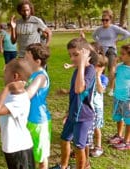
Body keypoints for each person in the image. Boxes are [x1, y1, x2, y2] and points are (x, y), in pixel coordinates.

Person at [51, 38, 96, 169]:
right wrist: (68, 112)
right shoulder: (78, 70)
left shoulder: (89, 70)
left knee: (79, 146)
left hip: (83, 116)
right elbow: (74, 94)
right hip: (73, 113)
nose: (72, 58)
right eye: (70, 55)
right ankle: (63, 166)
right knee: (64, 139)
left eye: (75, 55)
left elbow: (79, 89)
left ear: (86, 53)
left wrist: (81, 64)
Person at [0, 59, 35, 169]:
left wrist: (7, 88)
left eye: (5, 72)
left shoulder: (19, 99)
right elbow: (11, 118)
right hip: (12, 146)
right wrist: (1, 128)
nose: (3, 75)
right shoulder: (12, 95)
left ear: (15, 77)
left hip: (19, 148)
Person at [24, 43, 51, 169]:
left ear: (37, 61)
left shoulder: (40, 76)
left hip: (38, 121)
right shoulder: (33, 74)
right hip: (30, 118)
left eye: (27, 58)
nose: (24, 60)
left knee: (41, 156)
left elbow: (28, 94)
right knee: (31, 151)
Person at [92, 9, 130, 96]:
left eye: (106, 20)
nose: (104, 22)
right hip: (101, 50)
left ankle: (111, 89)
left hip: (111, 49)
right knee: (101, 68)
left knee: (112, 69)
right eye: (103, 20)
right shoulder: (99, 29)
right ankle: (101, 85)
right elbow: (93, 35)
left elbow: (127, 34)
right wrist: (98, 42)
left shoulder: (114, 28)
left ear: (110, 20)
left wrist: (118, 40)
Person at [87, 44, 109, 158]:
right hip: (89, 106)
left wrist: (97, 77)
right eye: (94, 66)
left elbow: (101, 90)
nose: (95, 69)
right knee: (89, 126)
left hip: (97, 107)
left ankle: (98, 146)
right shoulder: (89, 76)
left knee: (96, 128)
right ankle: (90, 144)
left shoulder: (104, 79)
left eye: (98, 67)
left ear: (102, 68)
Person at [108, 44, 130, 150]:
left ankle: (126, 141)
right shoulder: (120, 66)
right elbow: (111, 77)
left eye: (123, 54)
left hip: (128, 99)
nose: (120, 56)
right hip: (118, 97)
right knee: (119, 117)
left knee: (128, 120)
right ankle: (119, 135)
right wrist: (113, 66)